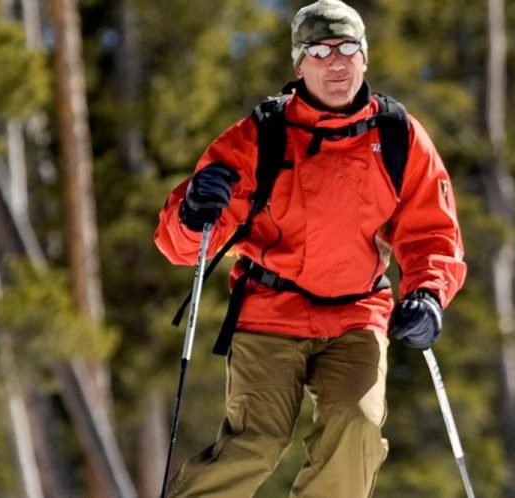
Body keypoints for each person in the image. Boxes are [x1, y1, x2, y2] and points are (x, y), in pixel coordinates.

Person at [153, 1, 466, 496]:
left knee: (357, 426)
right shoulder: (261, 135)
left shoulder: (397, 134)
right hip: (269, 310)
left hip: (356, 313)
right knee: (256, 441)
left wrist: (428, 294)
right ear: (299, 64)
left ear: (365, 57)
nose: (335, 62)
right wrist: (195, 211)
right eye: (320, 51)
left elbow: (431, 231)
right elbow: (182, 245)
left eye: (347, 49)